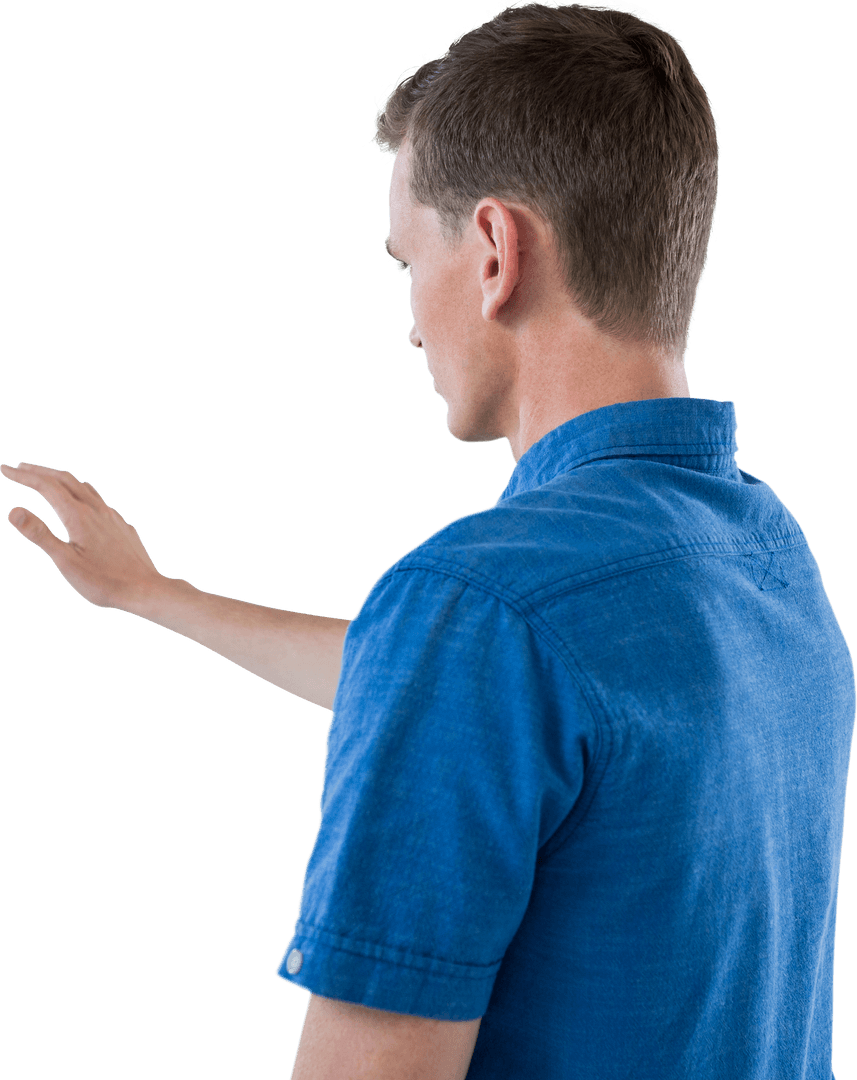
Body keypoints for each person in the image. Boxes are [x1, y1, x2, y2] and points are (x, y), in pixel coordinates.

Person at [2, 4, 854, 1078]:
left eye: (407, 259)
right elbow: (444, 681)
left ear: (495, 251)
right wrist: (151, 592)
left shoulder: (479, 608)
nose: (409, 320)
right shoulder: (767, 559)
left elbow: (461, 665)